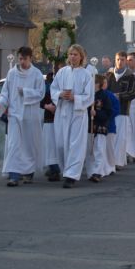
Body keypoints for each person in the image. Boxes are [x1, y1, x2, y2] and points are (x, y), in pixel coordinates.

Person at [0, 46, 45, 187]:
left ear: (31, 58)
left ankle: (28, 173)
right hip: (15, 115)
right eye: (21, 58)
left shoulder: (37, 74)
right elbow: (5, 93)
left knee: (28, 145)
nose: (22, 61)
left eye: (25, 59)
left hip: (30, 116)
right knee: (14, 144)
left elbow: (40, 93)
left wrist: (26, 92)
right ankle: (14, 175)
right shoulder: (12, 74)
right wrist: (0, 104)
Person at [50, 44, 94, 188]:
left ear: (81, 57)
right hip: (62, 112)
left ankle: (72, 175)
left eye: (76, 54)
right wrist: (60, 95)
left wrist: (76, 98)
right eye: (70, 54)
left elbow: (89, 96)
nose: (73, 57)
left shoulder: (86, 74)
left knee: (75, 145)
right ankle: (65, 171)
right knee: (61, 144)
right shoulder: (62, 72)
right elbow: (53, 89)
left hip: (77, 114)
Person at [105, 51, 135, 169]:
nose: (120, 62)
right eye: (118, 59)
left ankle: (118, 162)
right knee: (110, 137)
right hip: (110, 110)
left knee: (121, 138)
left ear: (126, 61)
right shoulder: (108, 75)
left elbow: (133, 93)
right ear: (115, 60)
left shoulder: (131, 76)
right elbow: (104, 89)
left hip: (123, 110)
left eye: (122, 60)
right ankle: (109, 161)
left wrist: (119, 96)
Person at [88, 74, 113, 183]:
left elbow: (108, 112)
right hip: (89, 127)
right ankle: (90, 171)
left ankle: (97, 172)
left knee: (99, 149)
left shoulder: (104, 96)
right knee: (89, 150)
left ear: (98, 84)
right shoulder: (88, 95)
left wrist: (97, 113)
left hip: (101, 126)